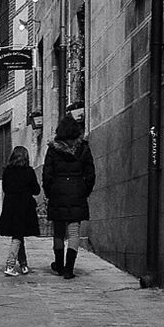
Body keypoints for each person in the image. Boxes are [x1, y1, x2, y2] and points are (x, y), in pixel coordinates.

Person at [42, 111, 95, 279]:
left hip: (57, 192)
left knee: (58, 232)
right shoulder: (83, 148)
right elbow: (91, 174)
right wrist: (84, 190)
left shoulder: (53, 150)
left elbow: (47, 175)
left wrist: (50, 192)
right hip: (77, 192)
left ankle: (58, 264)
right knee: (74, 232)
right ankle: (69, 269)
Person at [0, 145, 40, 276]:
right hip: (25, 207)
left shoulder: (7, 171)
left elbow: (5, 189)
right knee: (17, 237)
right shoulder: (29, 171)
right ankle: (10, 265)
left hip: (10, 206)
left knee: (18, 235)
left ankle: (24, 264)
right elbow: (36, 190)